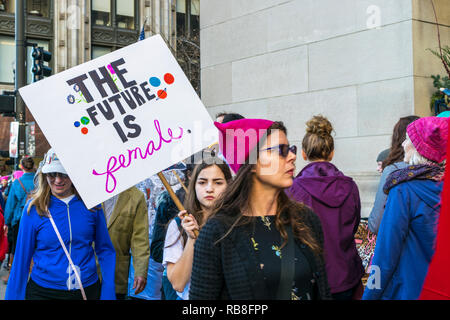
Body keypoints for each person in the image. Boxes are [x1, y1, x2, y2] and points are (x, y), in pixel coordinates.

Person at [189, 119, 331, 300]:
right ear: (252, 163)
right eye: (281, 151)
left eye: (291, 149)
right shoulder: (217, 232)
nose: (293, 156)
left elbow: (324, 291)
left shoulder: (307, 220)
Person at [5, 148, 116, 300]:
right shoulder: (34, 208)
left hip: (86, 289)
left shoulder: (92, 207)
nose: (58, 180)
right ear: (44, 175)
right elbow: (21, 258)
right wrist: (13, 296)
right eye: (52, 174)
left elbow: (105, 250)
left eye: (64, 174)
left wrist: (108, 291)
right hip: (43, 292)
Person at [363, 116, 447, 300]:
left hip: (408, 291)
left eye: (408, 139)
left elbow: (384, 256)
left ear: (419, 148)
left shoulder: (403, 190)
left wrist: (369, 294)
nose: (403, 144)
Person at [286, 115, 364, 300]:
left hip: (312, 277)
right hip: (345, 273)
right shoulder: (350, 186)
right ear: (331, 153)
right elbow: (354, 226)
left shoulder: (293, 189)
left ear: (303, 154)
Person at [163, 161, 232, 300]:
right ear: (194, 185)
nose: (209, 189)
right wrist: (191, 239)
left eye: (218, 182)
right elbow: (178, 283)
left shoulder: (237, 222)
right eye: (202, 182)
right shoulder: (179, 225)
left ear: (229, 186)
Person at [368, 115, 420, 234]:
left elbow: (376, 223)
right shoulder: (437, 169)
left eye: (407, 139)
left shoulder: (394, 171)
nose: (403, 144)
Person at [149, 168, 191, 300]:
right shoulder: (169, 202)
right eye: (202, 180)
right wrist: (179, 252)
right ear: (190, 175)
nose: (209, 187)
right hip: (176, 286)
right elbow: (156, 250)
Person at [102, 187, 150, 300]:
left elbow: (140, 238)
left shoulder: (136, 197)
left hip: (116, 271)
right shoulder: (88, 192)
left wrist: (141, 271)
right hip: (88, 269)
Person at [3, 156, 36, 284]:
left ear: (21, 167)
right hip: (37, 218)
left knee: (16, 248)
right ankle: (33, 274)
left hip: (20, 219)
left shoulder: (17, 182)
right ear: (32, 166)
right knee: (35, 247)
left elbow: (10, 204)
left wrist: (7, 221)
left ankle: (12, 275)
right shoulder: (38, 181)